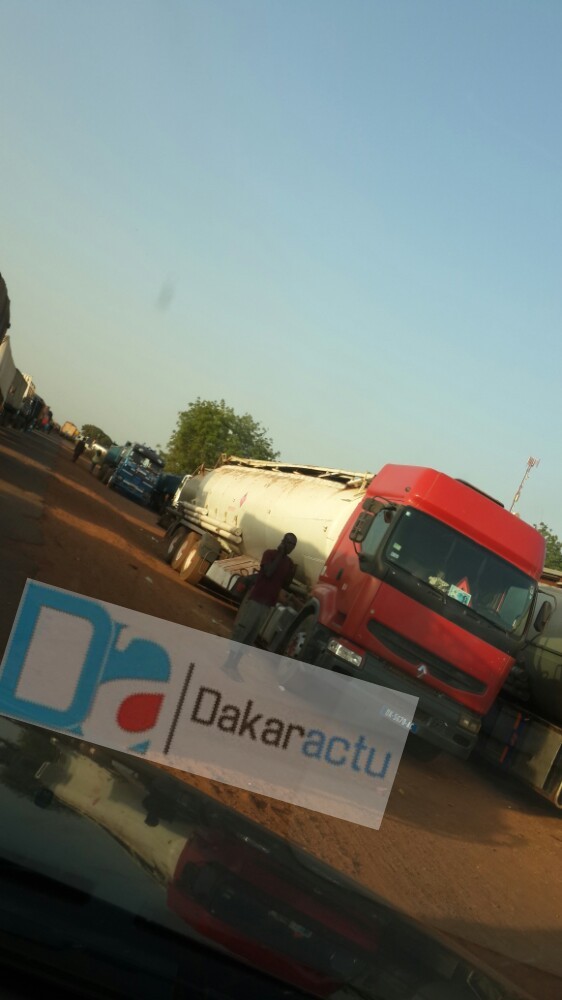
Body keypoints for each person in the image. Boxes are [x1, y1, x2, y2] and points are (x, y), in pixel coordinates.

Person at [223, 533, 297, 680]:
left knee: (250, 636)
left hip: (268, 604)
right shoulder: (270, 554)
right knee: (242, 631)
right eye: (288, 543)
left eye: (293, 545)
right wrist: (280, 555)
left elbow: (285, 584)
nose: (290, 547)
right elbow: (268, 572)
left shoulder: (288, 563)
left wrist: (291, 571)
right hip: (257, 599)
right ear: (283, 541)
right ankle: (228, 663)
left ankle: (234, 665)